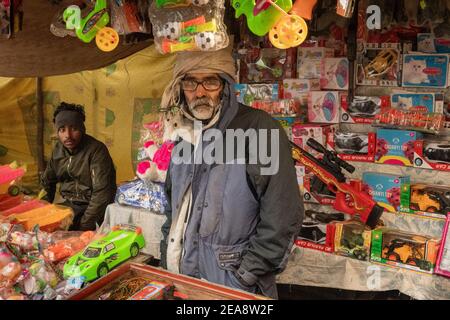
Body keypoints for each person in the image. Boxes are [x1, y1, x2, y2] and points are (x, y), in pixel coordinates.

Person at [159, 48, 303, 299]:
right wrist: (166, 258)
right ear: (180, 88)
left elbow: (283, 215)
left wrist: (246, 274)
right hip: (182, 282)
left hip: (232, 287)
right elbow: (172, 208)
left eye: (211, 81)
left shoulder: (259, 129)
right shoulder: (183, 135)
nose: (200, 92)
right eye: (191, 82)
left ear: (225, 87)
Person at [41, 102, 117, 231]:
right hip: (68, 207)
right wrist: (41, 212)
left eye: (74, 129)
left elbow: (102, 194)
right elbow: (47, 183)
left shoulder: (96, 150)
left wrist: (85, 225)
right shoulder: (58, 150)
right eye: (62, 129)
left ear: (82, 129)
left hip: (91, 210)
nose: (68, 135)